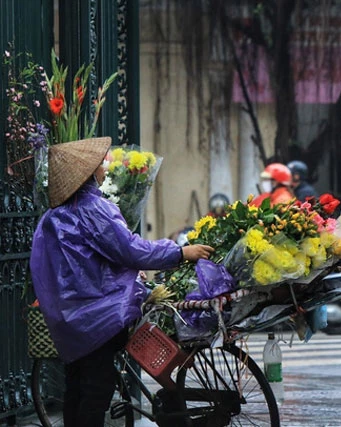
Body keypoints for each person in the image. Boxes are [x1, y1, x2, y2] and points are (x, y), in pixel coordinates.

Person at [29, 137, 214, 427]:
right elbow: (131, 250)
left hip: (70, 318)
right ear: (87, 173)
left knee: (77, 386)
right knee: (96, 391)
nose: (105, 166)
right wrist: (180, 252)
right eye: (99, 163)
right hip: (99, 317)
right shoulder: (93, 208)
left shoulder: (52, 218)